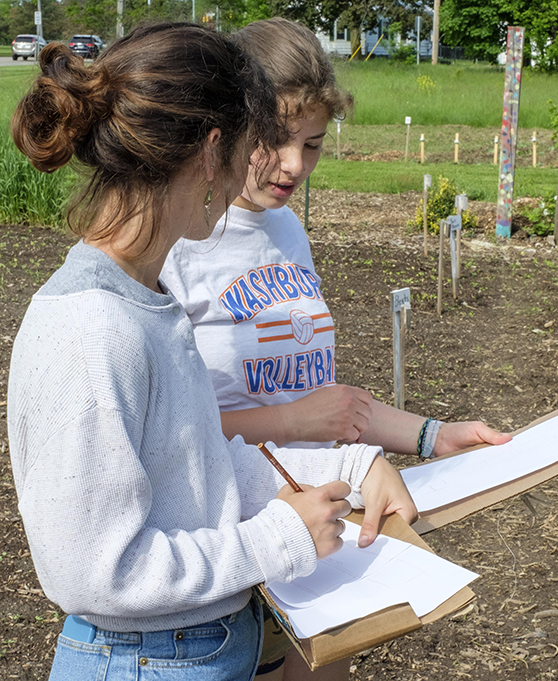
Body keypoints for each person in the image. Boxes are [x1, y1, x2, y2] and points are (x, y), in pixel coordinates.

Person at [7, 23, 416, 681]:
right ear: (213, 150)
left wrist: (350, 463)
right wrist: (277, 539)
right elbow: (94, 572)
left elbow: (202, 467)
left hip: (183, 651)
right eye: (255, 145)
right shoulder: (90, 326)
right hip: (143, 660)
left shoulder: (148, 297)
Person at [161, 17, 511, 681]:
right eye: (274, 140)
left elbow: (324, 401)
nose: (294, 164)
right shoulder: (181, 240)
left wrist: (435, 434)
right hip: (233, 546)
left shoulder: (288, 231)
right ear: (229, 127)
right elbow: (171, 432)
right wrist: (300, 427)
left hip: (319, 535)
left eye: (313, 144)